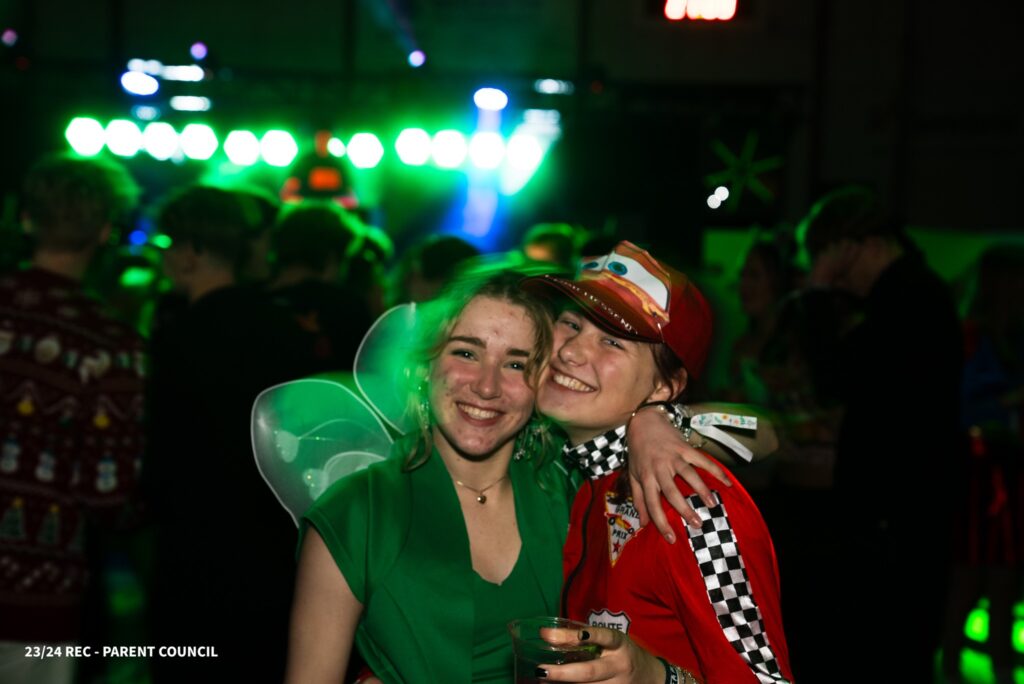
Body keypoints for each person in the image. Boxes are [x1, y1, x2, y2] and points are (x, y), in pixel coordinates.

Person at [284, 268, 739, 684]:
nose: (487, 386)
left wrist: (657, 420)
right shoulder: (358, 512)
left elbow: (765, 434)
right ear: (424, 369)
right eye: (466, 353)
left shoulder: (569, 482)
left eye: (517, 364)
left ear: (544, 381)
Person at [524, 241, 793, 683]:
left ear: (665, 386)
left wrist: (659, 678)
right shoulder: (574, 469)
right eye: (570, 323)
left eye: (611, 341)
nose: (571, 351)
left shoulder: (693, 502)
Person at [145, 185, 315, 681]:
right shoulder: (282, 329)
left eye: (166, 244)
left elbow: (160, 451)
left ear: (191, 250)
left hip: (192, 549)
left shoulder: (178, 335)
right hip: (269, 548)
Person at [799, 187, 962, 681]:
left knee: (886, 647)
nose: (843, 280)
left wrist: (818, 294)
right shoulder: (915, 295)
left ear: (860, 244)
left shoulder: (909, 298)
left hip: (895, 510)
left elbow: (836, 377)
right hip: (905, 506)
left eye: (835, 261)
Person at [0, 154, 144, 684]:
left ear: (25, 218)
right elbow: (110, 494)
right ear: (105, 230)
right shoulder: (114, 346)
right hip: (39, 599)